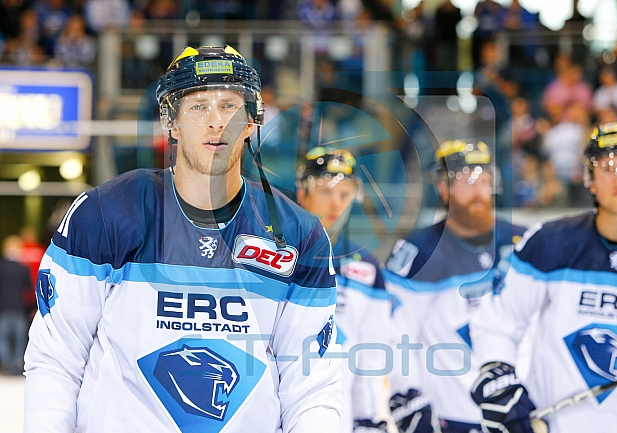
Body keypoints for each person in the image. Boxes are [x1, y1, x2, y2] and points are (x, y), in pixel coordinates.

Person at [24, 45, 343, 432]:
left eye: (230, 106)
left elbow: (312, 388)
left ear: (251, 122)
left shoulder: (298, 234)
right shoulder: (107, 212)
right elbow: (57, 359)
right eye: (198, 107)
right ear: (170, 122)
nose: (216, 122)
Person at [470, 120, 617, 433]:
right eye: (606, 168)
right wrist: (498, 376)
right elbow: (498, 321)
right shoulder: (549, 242)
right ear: (589, 181)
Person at [384, 141, 526, 433]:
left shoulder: (524, 243)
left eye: (485, 181)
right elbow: (394, 336)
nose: (478, 190)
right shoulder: (417, 253)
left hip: (518, 411)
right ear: (443, 187)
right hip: (450, 415)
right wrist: (407, 393)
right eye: (467, 181)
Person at [296, 147, 392, 433]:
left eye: (345, 193)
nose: (336, 204)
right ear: (302, 193)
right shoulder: (273, 256)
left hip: (341, 419)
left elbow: (372, 351)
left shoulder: (368, 268)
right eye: (325, 191)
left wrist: (369, 418)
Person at [0, 235, 32, 375]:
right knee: (20, 340)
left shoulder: (1, 267)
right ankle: (16, 366)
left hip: (3, 308)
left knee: (2, 338)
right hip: (19, 308)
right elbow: (29, 290)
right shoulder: (23, 269)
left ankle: (6, 359)